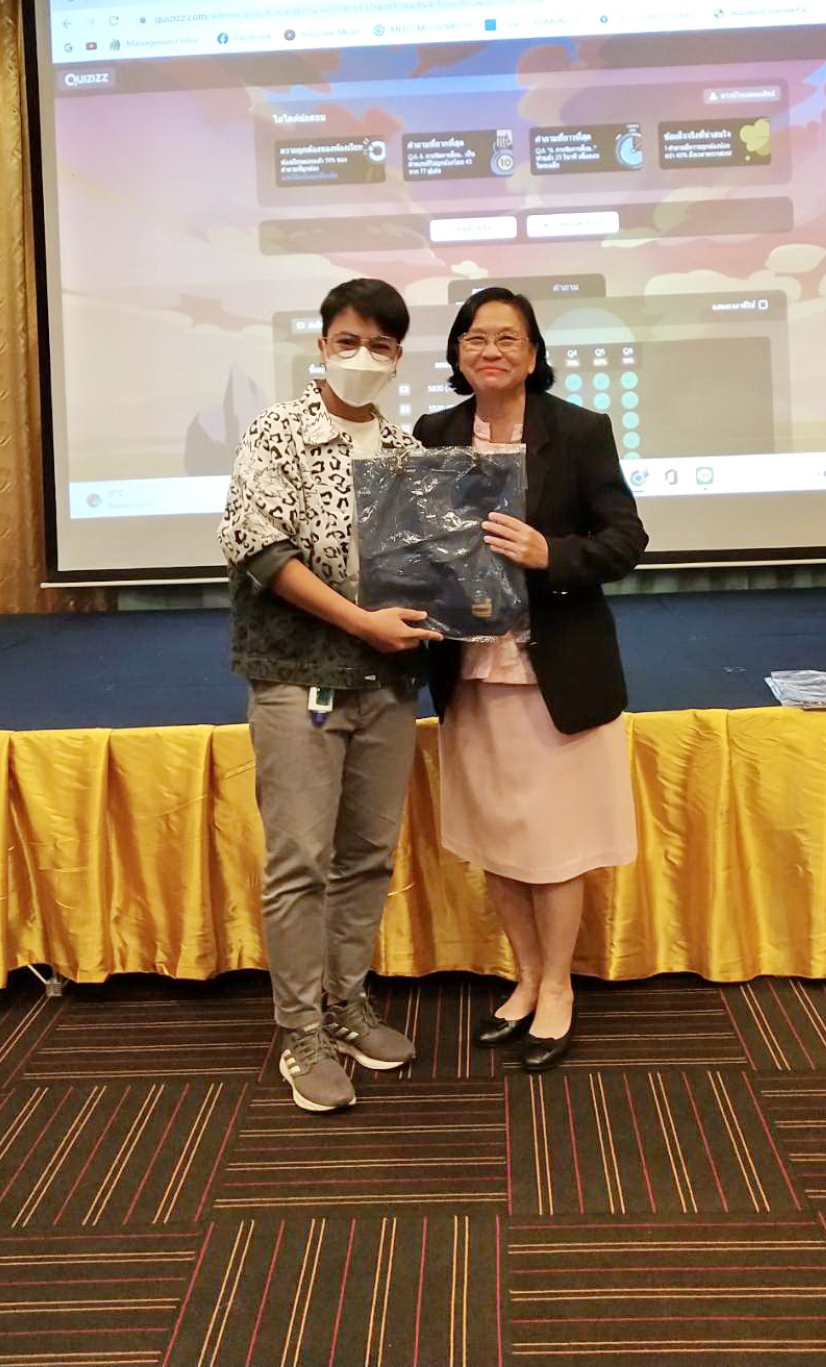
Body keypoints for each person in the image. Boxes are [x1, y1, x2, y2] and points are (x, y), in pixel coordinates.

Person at [219, 278, 441, 1113]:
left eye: (381, 345)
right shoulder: (277, 431)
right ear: (321, 344)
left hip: (387, 680)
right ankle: (301, 1030)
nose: (363, 356)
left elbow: (429, 566)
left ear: (397, 356)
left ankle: (347, 1004)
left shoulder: (406, 452)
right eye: (348, 340)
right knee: (300, 860)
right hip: (299, 675)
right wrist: (359, 621)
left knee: (369, 854)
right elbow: (261, 549)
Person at [413, 287, 647, 1071]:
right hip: (471, 670)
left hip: (554, 671)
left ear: (534, 353)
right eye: (475, 337)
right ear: (457, 352)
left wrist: (552, 554)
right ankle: (525, 976)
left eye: (507, 338)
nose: (491, 351)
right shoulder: (433, 433)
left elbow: (626, 539)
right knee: (499, 839)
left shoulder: (579, 430)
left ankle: (558, 987)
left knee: (555, 842)